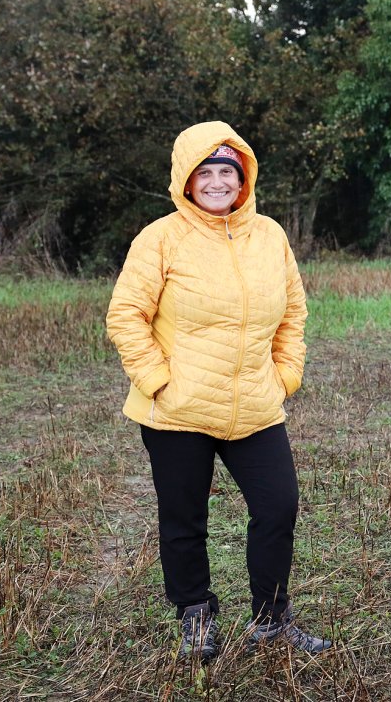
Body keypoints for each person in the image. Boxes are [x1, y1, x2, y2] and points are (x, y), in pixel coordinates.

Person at [106, 121, 332, 661]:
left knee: (279, 507)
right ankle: (196, 616)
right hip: (177, 409)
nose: (215, 182)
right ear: (186, 180)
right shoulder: (160, 238)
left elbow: (293, 313)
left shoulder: (271, 236)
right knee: (184, 519)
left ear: (243, 177)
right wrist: (159, 381)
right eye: (203, 172)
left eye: (225, 170)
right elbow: (126, 315)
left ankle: (272, 619)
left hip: (256, 403)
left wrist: (286, 375)